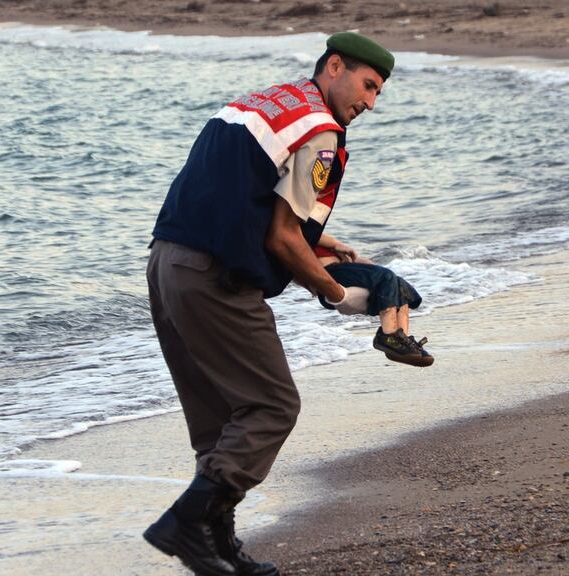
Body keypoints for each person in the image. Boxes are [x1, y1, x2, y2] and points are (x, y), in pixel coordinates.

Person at [143, 32, 394, 576]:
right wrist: (337, 294)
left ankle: (215, 549)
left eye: (378, 94)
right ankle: (188, 522)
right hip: (214, 278)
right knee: (271, 407)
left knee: (220, 424)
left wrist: (319, 240)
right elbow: (282, 240)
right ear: (334, 66)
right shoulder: (322, 133)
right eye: (368, 85)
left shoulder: (266, 100)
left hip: (166, 263)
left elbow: (236, 185)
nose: (370, 103)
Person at [313, 232, 433, 367]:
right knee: (385, 276)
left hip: (342, 268)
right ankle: (388, 337)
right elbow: (309, 233)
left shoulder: (314, 231)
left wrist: (354, 259)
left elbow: (316, 234)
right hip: (329, 272)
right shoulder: (300, 228)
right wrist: (337, 244)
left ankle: (402, 341)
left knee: (399, 284)